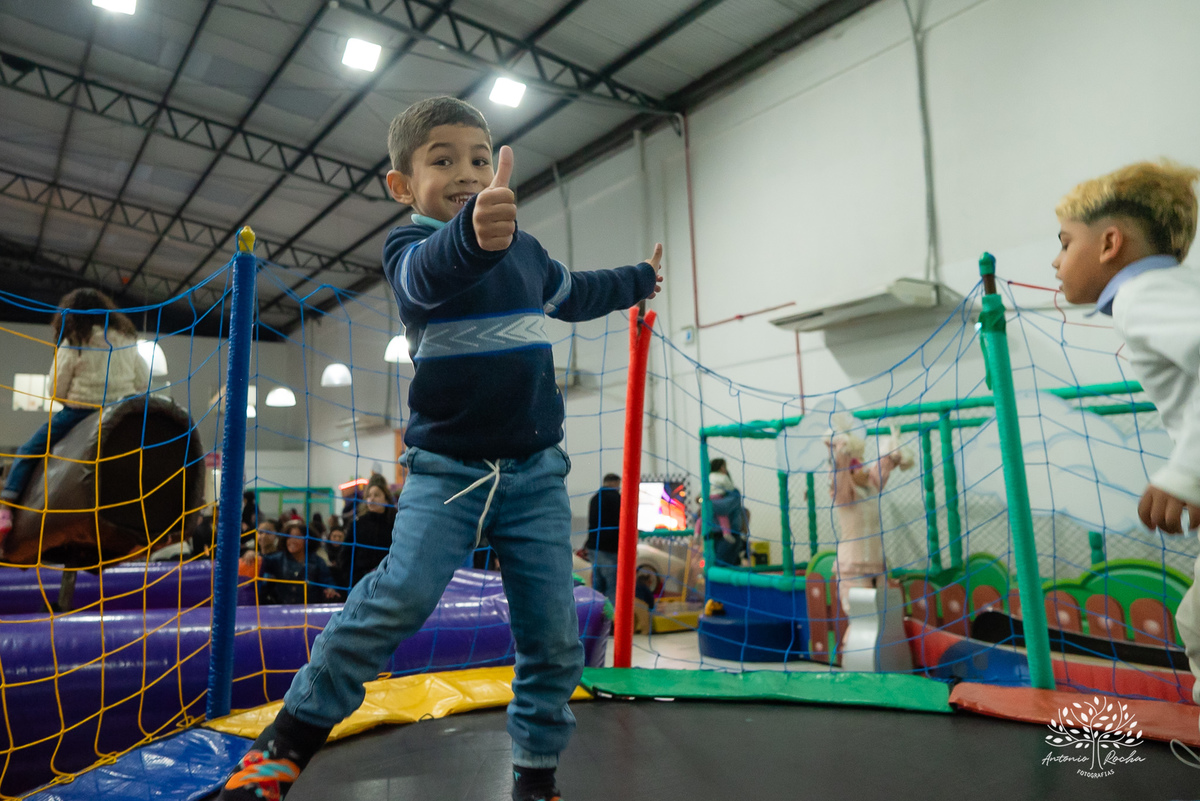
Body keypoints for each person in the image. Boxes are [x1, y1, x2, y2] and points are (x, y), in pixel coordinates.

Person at [215, 95, 661, 801]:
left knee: (552, 636)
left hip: (536, 474)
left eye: (479, 159)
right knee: (398, 598)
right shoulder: (411, 250)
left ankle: (535, 775)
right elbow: (429, 276)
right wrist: (472, 236)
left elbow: (576, 292)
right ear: (402, 185)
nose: (466, 171)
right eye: (443, 160)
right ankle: (283, 746)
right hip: (447, 473)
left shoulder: (527, 250)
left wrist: (641, 278)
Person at [1051, 159, 1200, 712]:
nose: (1055, 260)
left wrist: (1187, 471)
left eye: (1065, 242)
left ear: (1110, 243)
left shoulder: (1146, 296)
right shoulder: (1170, 290)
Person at [0, 289, 149, 540]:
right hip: (120, 413)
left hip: (80, 412)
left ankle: (6, 508)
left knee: (27, 451)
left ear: (71, 316)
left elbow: (55, 389)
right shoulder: (127, 339)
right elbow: (143, 381)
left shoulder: (74, 341)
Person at [259, 522, 339, 605]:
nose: (292, 541)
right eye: (289, 537)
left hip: (309, 610)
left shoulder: (317, 561)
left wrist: (330, 589)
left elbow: (327, 580)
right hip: (283, 609)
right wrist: (251, 554)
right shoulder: (278, 559)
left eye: (297, 537)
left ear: (307, 540)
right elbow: (261, 562)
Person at [339, 483, 396, 589]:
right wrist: (351, 580)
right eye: (369, 495)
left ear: (386, 499)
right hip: (361, 582)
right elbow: (345, 554)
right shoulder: (357, 523)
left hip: (388, 582)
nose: (372, 498)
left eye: (376, 495)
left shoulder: (395, 524)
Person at [585, 473, 621, 603]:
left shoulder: (595, 498)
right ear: (615, 482)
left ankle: (596, 619)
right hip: (609, 549)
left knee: (597, 587)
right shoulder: (616, 498)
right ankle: (612, 621)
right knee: (613, 587)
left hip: (594, 548)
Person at [705, 459, 748, 567]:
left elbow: (723, 508)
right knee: (713, 567)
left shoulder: (733, 493)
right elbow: (701, 514)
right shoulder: (708, 493)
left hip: (728, 537)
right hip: (712, 535)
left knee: (722, 566)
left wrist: (705, 502)